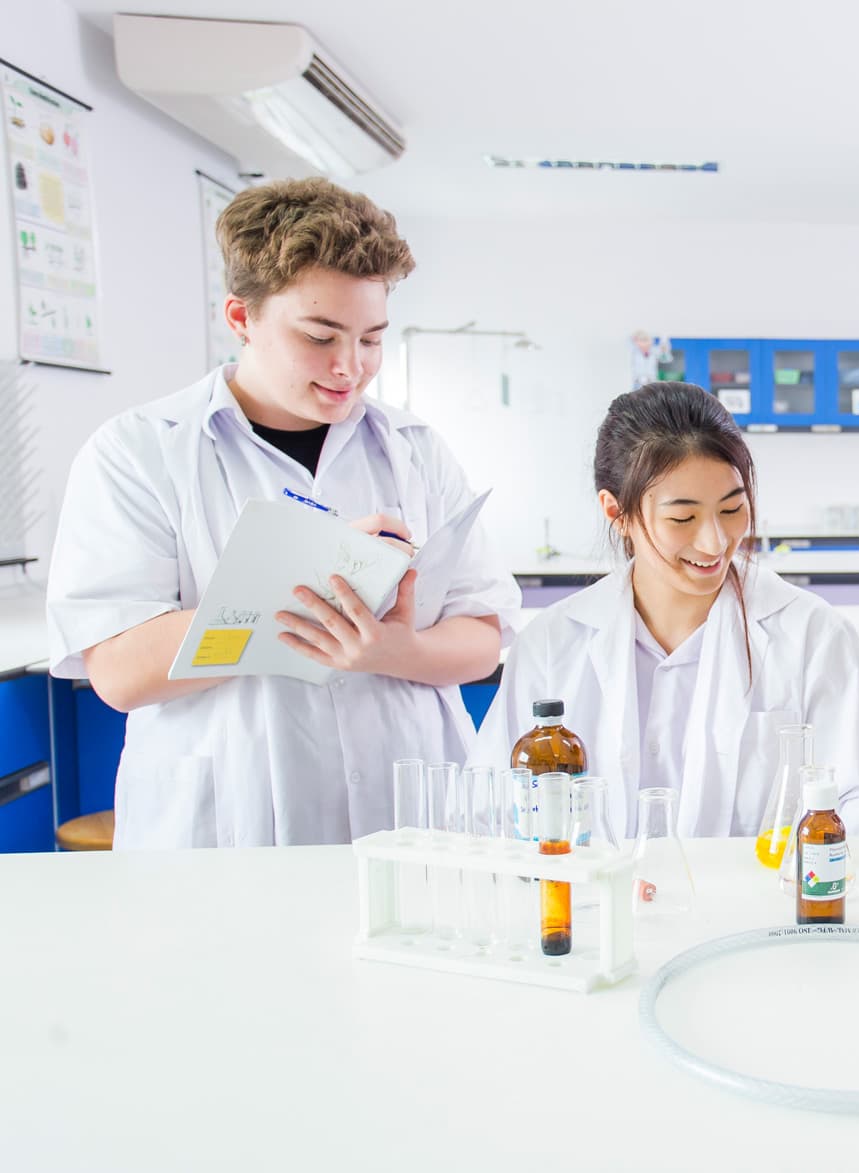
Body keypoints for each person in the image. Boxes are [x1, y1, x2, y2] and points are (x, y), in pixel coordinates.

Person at [45, 178, 517, 848]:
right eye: (320, 335)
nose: (350, 367)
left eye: (372, 338)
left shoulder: (414, 450)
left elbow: (483, 635)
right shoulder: (139, 451)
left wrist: (394, 650)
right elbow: (120, 671)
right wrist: (308, 580)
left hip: (409, 822)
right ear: (242, 318)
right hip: (228, 831)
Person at [472, 382, 859, 838]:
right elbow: (490, 811)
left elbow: (858, 811)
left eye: (732, 509)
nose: (715, 541)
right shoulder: (552, 645)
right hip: (595, 920)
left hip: (755, 925)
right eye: (682, 517)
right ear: (616, 512)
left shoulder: (814, 636)